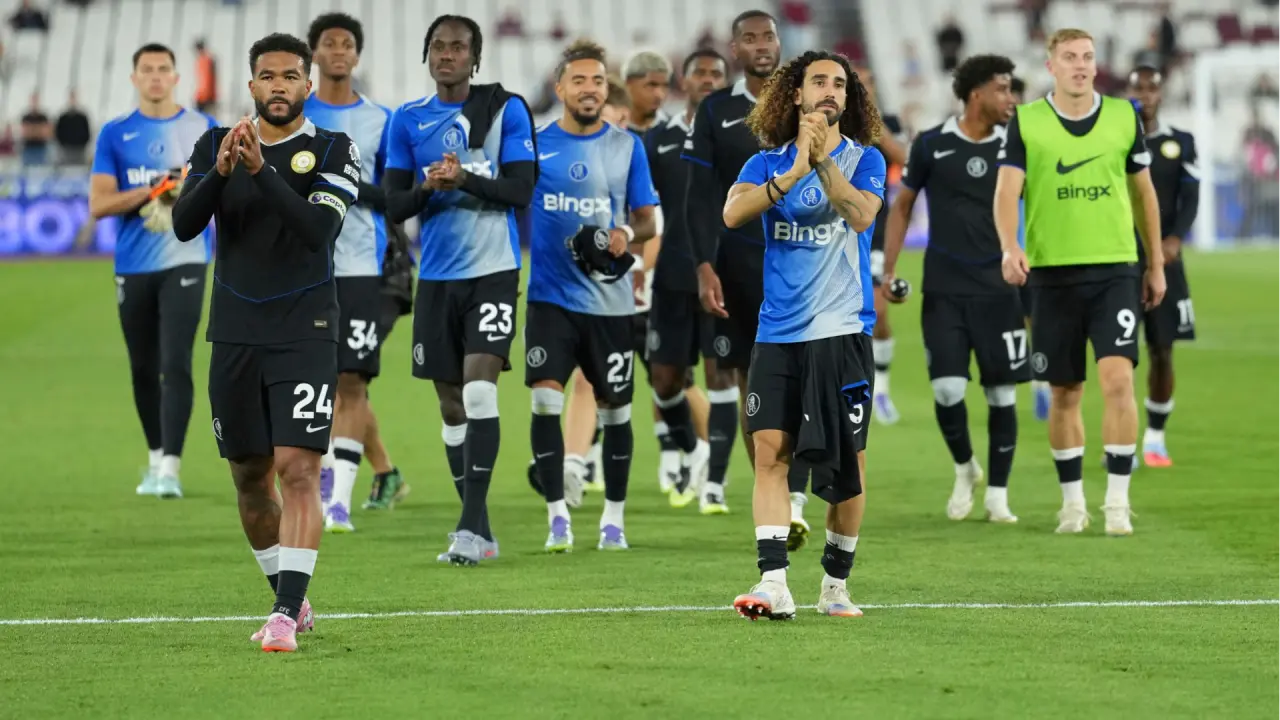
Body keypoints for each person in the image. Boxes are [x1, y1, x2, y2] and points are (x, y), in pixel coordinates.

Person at [172, 32, 359, 652]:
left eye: (290, 76)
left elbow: (316, 231)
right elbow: (182, 224)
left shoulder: (335, 148)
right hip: (233, 334)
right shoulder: (213, 144)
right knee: (250, 478)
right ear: (251, 86)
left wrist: (259, 170)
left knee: (298, 469)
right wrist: (222, 171)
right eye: (267, 76)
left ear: (308, 85)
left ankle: (282, 615)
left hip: (305, 330)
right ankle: (292, 595)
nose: (279, 85)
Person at [723, 50, 886, 620]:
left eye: (839, 84)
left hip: (841, 332)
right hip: (777, 333)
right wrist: (791, 170)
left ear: (848, 98)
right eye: (818, 80)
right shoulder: (763, 162)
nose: (829, 90)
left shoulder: (866, 161)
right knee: (770, 454)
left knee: (851, 467)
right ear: (794, 93)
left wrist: (822, 165)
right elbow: (732, 214)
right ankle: (773, 583)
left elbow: (861, 215)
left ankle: (835, 586)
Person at [994, 28, 1165, 537]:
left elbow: (1143, 194)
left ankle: (1116, 502)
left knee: (1118, 380)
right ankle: (1073, 503)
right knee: (1064, 391)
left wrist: (1154, 262)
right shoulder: (1026, 122)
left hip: (1114, 268)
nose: (1081, 65)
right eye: (1070, 57)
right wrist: (1010, 245)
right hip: (1051, 274)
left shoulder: (1122, 116)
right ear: (1051, 66)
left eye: (1088, 57)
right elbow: (1006, 193)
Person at [383, 15, 536, 565]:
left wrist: (465, 178)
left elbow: (521, 191)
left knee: (478, 390)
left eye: (458, 47)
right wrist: (429, 185)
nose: (447, 55)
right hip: (438, 279)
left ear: (476, 58)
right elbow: (393, 206)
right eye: (438, 47)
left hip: (493, 271)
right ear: (427, 56)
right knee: (451, 407)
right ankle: (481, 526)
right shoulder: (407, 120)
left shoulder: (506, 111)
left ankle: (468, 529)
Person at [526, 39, 659, 552]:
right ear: (559, 88)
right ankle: (557, 515)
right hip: (550, 299)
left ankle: (614, 519)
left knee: (616, 412)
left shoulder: (627, 147)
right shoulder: (536, 145)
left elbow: (647, 220)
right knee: (543, 400)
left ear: (607, 89)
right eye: (579, 80)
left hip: (609, 302)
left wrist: (627, 235)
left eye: (598, 81)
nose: (589, 88)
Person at [882, 54, 1024, 524]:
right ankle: (965, 468)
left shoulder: (1017, 142)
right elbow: (903, 207)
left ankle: (998, 494)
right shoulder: (934, 143)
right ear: (977, 93)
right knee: (946, 391)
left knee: (1002, 395)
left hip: (1000, 289)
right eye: (1003, 89)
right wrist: (889, 269)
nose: (1012, 98)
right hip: (944, 289)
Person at [88, 43, 216, 499]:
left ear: (176, 77)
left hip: (185, 259)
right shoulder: (115, 134)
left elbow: (222, 190)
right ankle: (156, 458)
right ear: (134, 78)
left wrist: (185, 192)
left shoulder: (202, 129)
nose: (157, 76)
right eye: (148, 69)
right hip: (133, 264)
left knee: (175, 362)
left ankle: (172, 469)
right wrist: (151, 190)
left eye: (164, 68)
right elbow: (100, 204)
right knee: (142, 367)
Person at [683, 10, 792, 540]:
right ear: (735, 50)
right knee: (754, 381)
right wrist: (705, 265)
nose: (761, 45)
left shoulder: (805, 100)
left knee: (812, 377)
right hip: (741, 267)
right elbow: (698, 198)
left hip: (806, 264)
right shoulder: (716, 111)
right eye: (749, 38)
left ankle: (798, 487)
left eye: (768, 35)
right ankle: (774, 495)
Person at [303, 13, 397, 532]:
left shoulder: (382, 121)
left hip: (363, 265)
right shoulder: (295, 115)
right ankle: (324, 479)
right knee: (312, 380)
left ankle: (338, 499)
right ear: (314, 54)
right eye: (328, 43)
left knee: (351, 378)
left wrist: (345, 183)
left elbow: (395, 197)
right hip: (305, 265)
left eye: (346, 44)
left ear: (357, 55)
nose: (338, 51)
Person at [645, 48, 727, 510]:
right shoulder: (659, 139)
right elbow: (639, 203)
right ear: (685, 80)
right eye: (701, 73)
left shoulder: (745, 134)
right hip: (673, 273)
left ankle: (714, 480)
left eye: (718, 73)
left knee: (721, 379)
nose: (709, 79)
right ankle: (695, 452)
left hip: (724, 274)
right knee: (664, 379)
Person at [1127, 64, 1198, 467]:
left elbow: (1191, 196)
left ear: (1161, 93)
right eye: (1139, 88)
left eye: (1152, 88)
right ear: (1129, 92)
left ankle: (1154, 438)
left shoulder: (1181, 142)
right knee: (1118, 354)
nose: (1146, 95)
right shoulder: (1116, 140)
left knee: (1162, 350)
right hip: (1121, 260)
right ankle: (1121, 440)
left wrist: (1175, 239)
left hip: (1166, 262)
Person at [856, 67, 908, 426]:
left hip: (875, 231)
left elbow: (905, 158)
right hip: (836, 232)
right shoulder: (829, 122)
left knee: (879, 310)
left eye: (865, 83)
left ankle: (883, 390)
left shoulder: (885, 121)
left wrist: (874, 125)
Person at [622, 50, 671, 132]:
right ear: (628, 84)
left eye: (665, 86)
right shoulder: (607, 130)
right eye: (651, 85)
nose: (660, 95)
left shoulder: (677, 131)